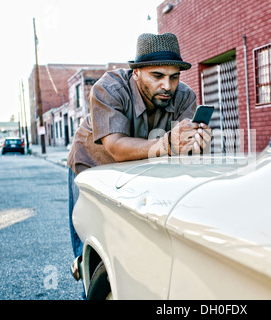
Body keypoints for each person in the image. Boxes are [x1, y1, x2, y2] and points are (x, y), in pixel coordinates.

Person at [67, 33, 212, 260]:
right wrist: (168, 144)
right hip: (91, 166)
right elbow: (115, 147)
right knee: (90, 243)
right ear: (136, 73)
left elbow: (181, 156)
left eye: (174, 77)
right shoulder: (109, 88)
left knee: (133, 243)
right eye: (157, 75)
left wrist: (196, 146)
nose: (168, 86)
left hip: (141, 170)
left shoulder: (185, 97)